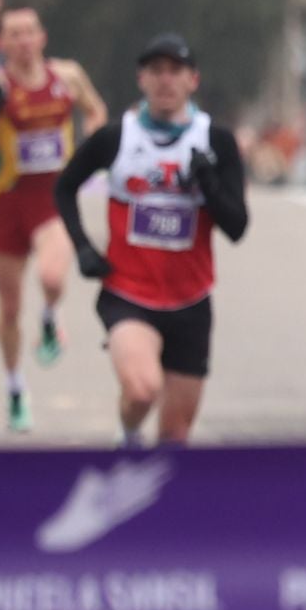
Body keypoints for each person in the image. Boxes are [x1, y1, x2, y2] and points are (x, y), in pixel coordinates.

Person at [54, 34, 250, 448]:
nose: (165, 81)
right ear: (141, 80)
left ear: (192, 80)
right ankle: (126, 436)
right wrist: (84, 248)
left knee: (175, 437)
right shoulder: (115, 138)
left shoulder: (216, 142)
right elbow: (64, 187)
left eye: (175, 72)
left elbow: (237, 227)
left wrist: (208, 183)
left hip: (191, 300)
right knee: (143, 390)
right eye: (155, 72)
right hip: (129, 293)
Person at [0, 7, 109, 432]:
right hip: (9, 204)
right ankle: (15, 389)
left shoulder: (67, 76)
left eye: (29, 32)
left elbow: (97, 112)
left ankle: (50, 319)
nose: (23, 41)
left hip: (52, 200)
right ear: (3, 44)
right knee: (9, 308)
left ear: (42, 38)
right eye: (14, 35)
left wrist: (87, 156)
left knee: (52, 278)